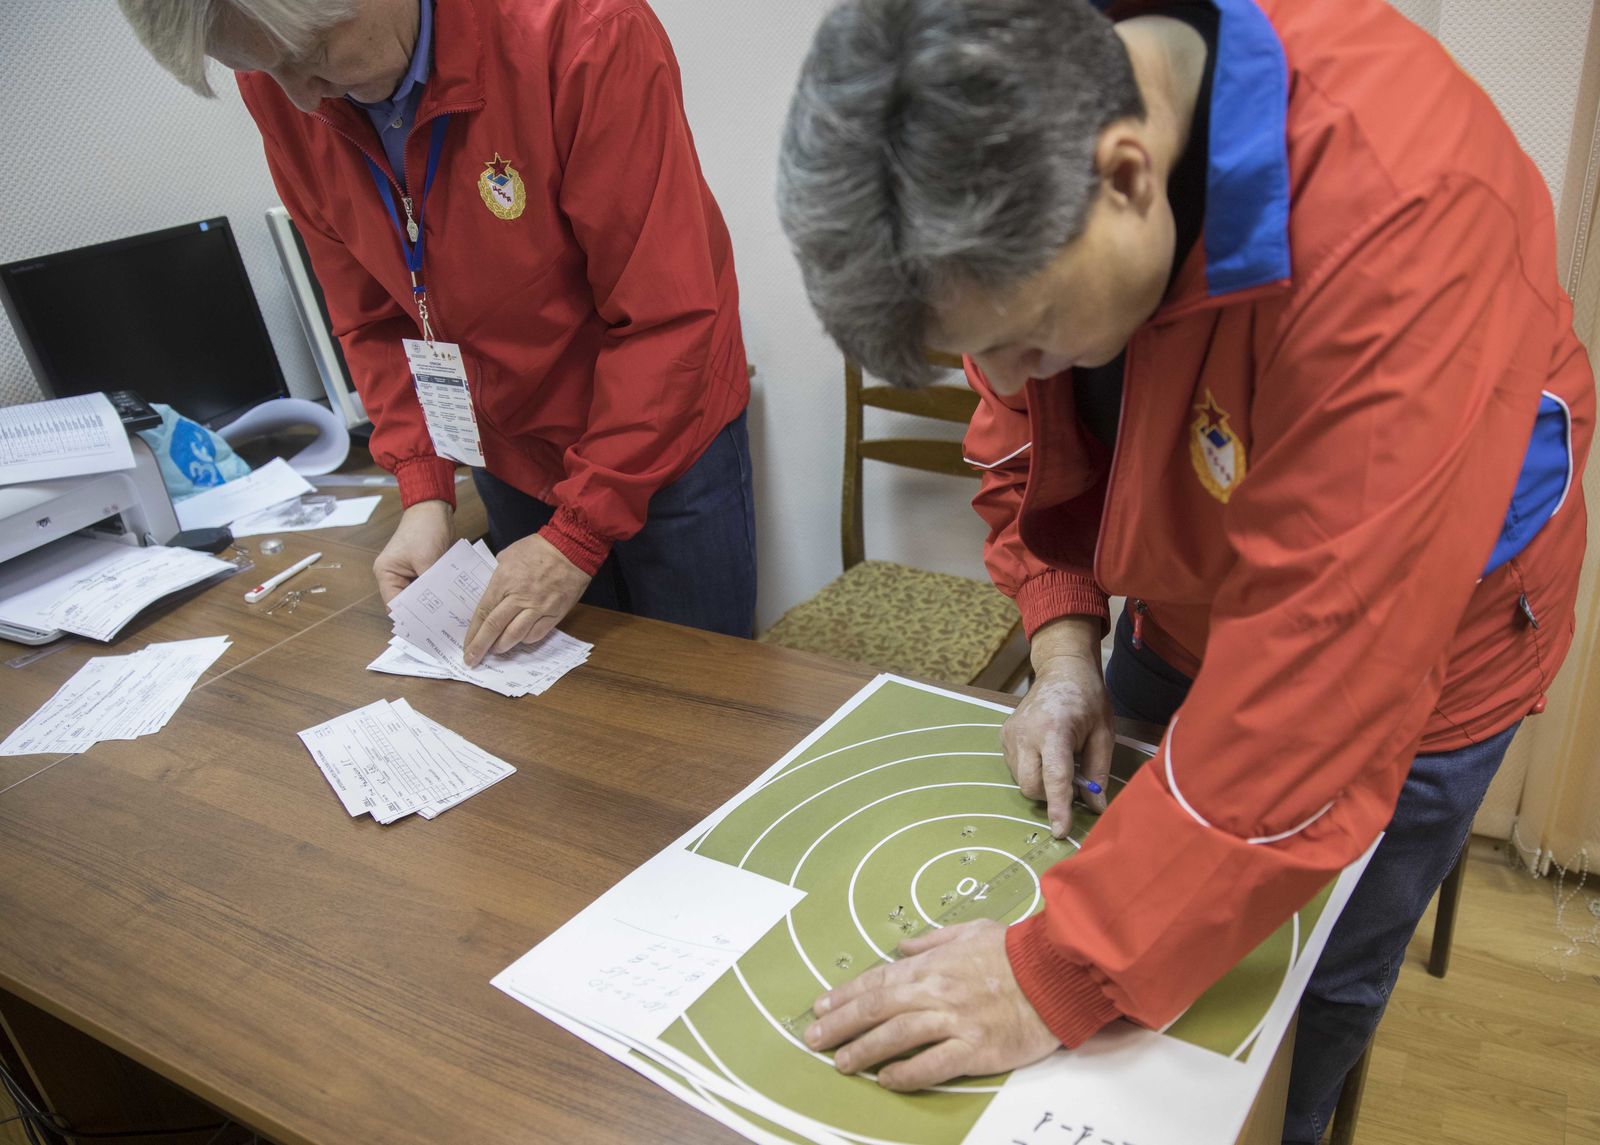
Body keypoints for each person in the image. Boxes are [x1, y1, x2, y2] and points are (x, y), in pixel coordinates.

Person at [777, 0, 1593, 1139]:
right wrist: (1065, 644)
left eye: (1024, 336)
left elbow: (1324, 685)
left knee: (1297, 1003)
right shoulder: (1034, 148)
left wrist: (1049, 971)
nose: (1003, 372)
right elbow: (1031, 435)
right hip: (1189, 588)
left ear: (1126, 175)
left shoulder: (1404, 208)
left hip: (1424, 650)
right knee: (1123, 922)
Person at [119, 0, 758, 657]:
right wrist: (423, 485)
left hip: (662, 430)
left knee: (701, 686)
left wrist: (578, 532)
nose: (302, 100)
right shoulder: (287, 85)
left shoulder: (586, 31)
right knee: (558, 693)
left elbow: (667, 313)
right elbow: (372, 315)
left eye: (310, 57)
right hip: (510, 445)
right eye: (261, 70)